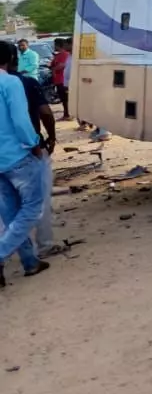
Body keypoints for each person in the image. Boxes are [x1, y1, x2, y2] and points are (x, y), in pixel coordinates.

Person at [0, 40, 49, 286]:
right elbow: (20, 120)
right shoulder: (9, 82)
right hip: (16, 156)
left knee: (10, 213)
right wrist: (34, 143)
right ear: (10, 58)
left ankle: (30, 262)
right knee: (32, 207)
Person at [9, 58, 57, 256]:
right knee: (39, 199)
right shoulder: (25, 83)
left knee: (9, 205)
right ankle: (44, 245)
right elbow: (44, 112)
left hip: (4, 155)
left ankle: (19, 251)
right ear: (14, 59)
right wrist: (50, 137)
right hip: (29, 150)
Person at [51, 39, 71, 127]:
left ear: (59, 45)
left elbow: (62, 65)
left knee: (65, 99)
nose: (54, 46)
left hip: (62, 80)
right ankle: (66, 114)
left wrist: (54, 69)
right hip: (58, 80)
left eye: (55, 45)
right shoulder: (58, 55)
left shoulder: (64, 54)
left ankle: (68, 114)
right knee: (63, 99)